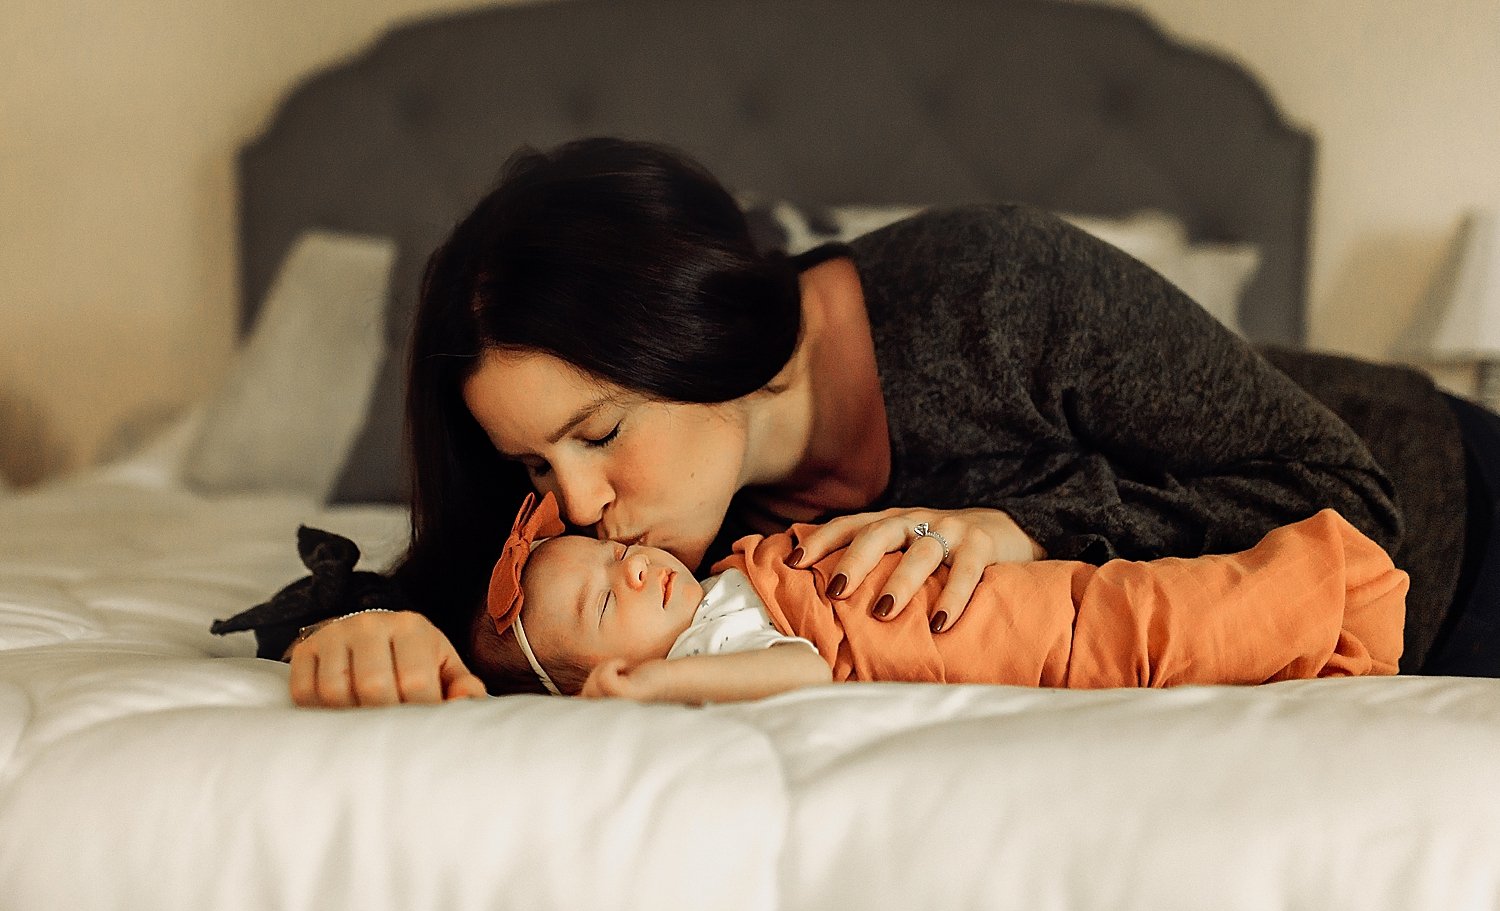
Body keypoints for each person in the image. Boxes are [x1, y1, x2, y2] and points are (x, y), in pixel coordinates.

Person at [270, 136, 1497, 709]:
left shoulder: (995, 289)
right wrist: (371, 623)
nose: (580, 503)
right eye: (535, 461)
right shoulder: (658, 525)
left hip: (1452, 521)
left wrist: (1028, 530)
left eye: (598, 430)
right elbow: (505, 604)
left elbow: (1351, 504)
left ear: (697, 340)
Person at [470, 492, 1405, 705]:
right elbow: (799, 668)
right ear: (617, 667)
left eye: (615, 551)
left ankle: (1325, 598)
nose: (633, 566)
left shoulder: (726, 580)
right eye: (605, 602)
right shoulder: (711, 645)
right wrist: (656, 690)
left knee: (1141, 606)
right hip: (1013, 640)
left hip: (1011, 594)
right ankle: (1330, 602)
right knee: (1156, 630)